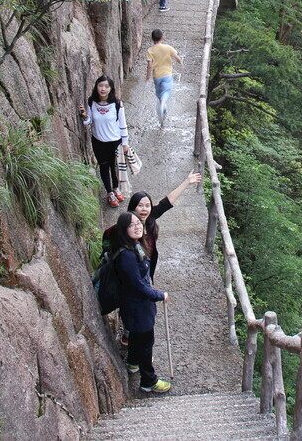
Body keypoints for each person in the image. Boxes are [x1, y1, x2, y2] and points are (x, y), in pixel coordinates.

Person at [109, 213, 171, 393]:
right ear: (123, 230)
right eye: (131, 225)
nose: (137, 227)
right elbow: (137, 286)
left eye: (138, 223)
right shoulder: (127, 256)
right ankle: (148, 381)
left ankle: (133, 362)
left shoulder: (134, 246)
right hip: (137, 307)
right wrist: (159, 295)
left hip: (136, 306)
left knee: (137, 336)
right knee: (145, 343)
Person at [124, 170, 202, 280]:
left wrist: (187, 182)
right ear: (133, 207)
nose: (144, 209)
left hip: (146, 266)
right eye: (140, 205)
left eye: (147, 206)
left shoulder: (150, 218)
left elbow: (168, 201)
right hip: (132, 269)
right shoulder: (126, 225)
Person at [79, 75, 129, 207]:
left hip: (115, 141)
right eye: (101, 85)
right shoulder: (92, 102)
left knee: (114, 166)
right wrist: (85, 117)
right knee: (104, 166)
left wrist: (125, 143)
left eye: (106, 86)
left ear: (111, 88)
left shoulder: (117, 104)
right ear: (96, 87)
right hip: (98, 141)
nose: (103, 89)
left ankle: (116, 188)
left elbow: (122, 124)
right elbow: (89, 121)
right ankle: (109, 193)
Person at [145, 29, 182, 127]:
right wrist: (180, 63)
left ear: (152, 39)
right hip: (167, 75)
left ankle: (163, 109)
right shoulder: (168, 48)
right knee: (167, 91)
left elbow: (149, 65)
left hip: (156, 76)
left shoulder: (150, 51)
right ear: (162, 38)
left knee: (159, 94)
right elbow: (177, 58)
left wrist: (148, 75)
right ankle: (163, 105)